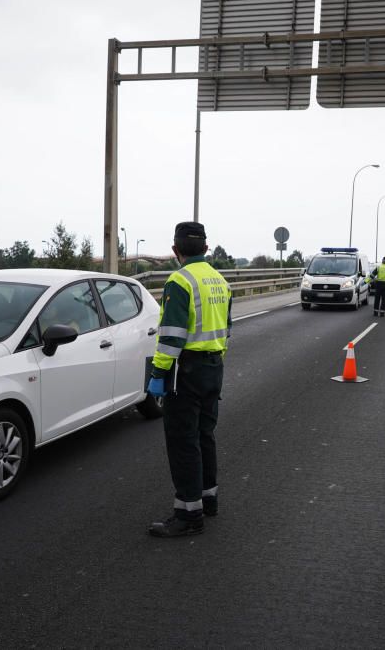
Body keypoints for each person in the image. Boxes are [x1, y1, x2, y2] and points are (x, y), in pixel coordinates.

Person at [146, 222, 232, 538]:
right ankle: (208, 500)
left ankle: (188, 514)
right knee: (205, 435)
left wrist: (157, 374)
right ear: (206, 249)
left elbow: (170, 338)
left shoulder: (178, 281)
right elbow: (227, 329)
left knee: (183, 442)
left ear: (175, 250)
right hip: (214, 367)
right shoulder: (221, 281)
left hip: (186, 371)